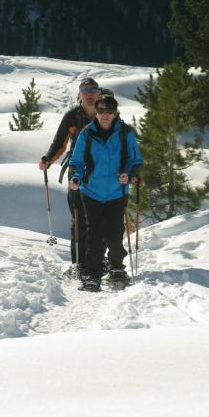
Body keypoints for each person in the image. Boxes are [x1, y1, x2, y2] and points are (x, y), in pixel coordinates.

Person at [69, 95, 143, 292]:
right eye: (101, 110)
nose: (104, 115)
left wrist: (129, 174)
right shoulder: (86, 134)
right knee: (94, 233)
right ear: (96, 112)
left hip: (116, 192)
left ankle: (117, 267)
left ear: (115, 114)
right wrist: (77, 177)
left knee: (113, 233)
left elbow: (135, 160)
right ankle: (92, 275)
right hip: (91, 190)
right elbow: (77, 162)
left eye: (109, 111)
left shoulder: (125, 133)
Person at [38, 77, 101, 274]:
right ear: (79, 94)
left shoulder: (107, 112)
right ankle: (79, 264)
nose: (89, 93)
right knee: (79, 217)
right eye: (85, 89)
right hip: (77, 170)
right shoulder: (72, 116)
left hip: (103, 172)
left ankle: (99, 262)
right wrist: (48, 159)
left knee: (103, 218)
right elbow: (60, 143)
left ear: (98, 93)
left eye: (92, 89)